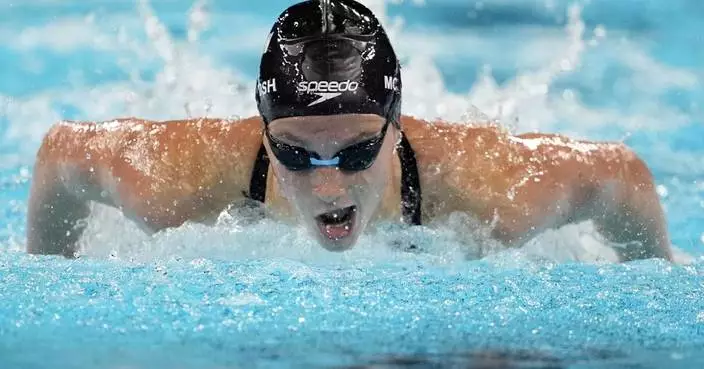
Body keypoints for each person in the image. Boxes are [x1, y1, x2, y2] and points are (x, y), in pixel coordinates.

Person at [26, 0, 673, 261]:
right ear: (264, 132)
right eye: (296, 153)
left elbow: (620, 174)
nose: (329, 180)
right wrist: (51, 267)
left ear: (396, 128)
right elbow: (61, 156)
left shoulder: (492, 191)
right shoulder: (174, 184)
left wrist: (652, 273)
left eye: (358, 149)